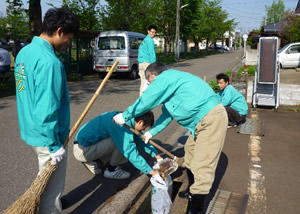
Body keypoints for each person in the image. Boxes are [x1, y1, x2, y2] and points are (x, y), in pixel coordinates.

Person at [113, 63, 228, 214]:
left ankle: (195, 210)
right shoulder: (173, 86)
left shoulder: (166, 77)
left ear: (153, 76)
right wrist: (151, 133)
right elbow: (166, 116)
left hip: (211, 119)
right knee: (190, 152)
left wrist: (125, 115)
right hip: (200, 124)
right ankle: (192, 192)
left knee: (202, 167)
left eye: (149, 82)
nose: (150, 85)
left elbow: (147, 100)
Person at [14, 8, 79, 214]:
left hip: (31, 129)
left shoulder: (24, 52)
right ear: (59, 31)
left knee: (45, 181)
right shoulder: (50, 63)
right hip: (48, 138)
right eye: (69, 38)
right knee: (51, 191)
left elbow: (26, 92)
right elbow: (46, 109)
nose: (68, 44)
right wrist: (54, 145)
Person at [73, 111, 164, 182]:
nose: (143, 130)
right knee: (122, 143)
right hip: (82, 150)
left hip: (87, 144)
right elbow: (131, 153)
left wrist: (157, 156)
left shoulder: (124, 118)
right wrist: (152, 173)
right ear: (140, 122)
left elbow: (140, 140)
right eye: (144, 128)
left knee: (123, 140)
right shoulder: (121, 126)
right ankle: (111, 170)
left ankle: (95, 161)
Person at [138, 25, 157, 95]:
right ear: (148, 31)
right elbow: (151, 53)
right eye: (152, 32)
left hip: (141, 63)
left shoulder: (144, 40)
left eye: (155, 32)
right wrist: (154, 65)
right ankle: (148, 99)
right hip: (147, 63)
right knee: (149, 82)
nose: (153, 34)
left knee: (143, 82)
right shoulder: (150, 41)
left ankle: (141, 99)